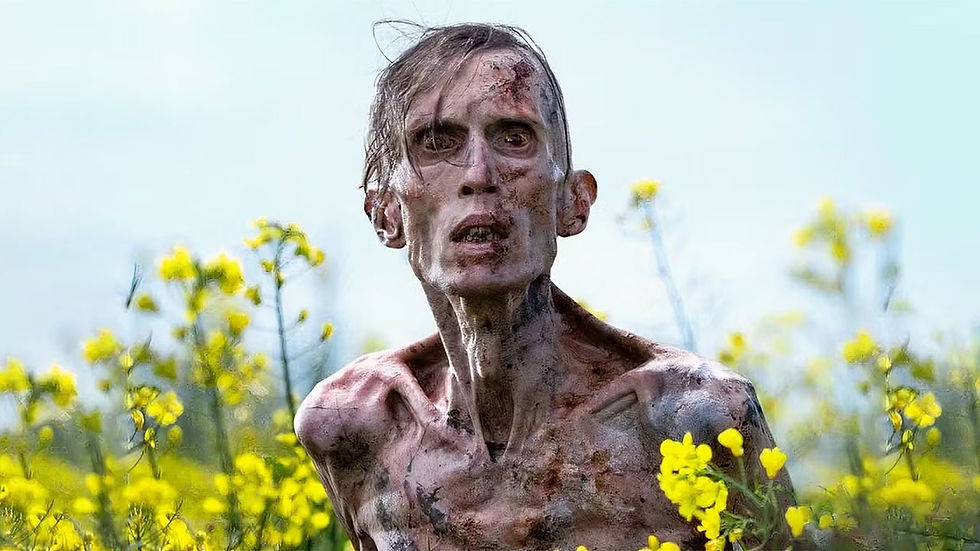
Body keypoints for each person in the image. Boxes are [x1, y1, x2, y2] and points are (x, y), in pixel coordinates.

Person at [295, 22, 793, 550]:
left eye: (514, 138)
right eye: (437, 142)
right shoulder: (357, 424)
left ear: (573, 201)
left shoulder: (690, 414)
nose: (480, 174)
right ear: (386, 212)